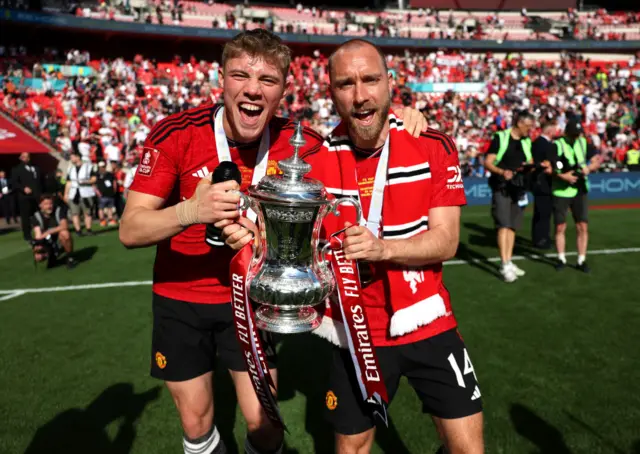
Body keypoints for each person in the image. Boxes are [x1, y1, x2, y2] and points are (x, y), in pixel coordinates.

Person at [119, 29, 428, 454]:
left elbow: (365, 142)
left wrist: (400, 118)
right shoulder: (177, 133)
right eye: (240, 75)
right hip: (180, 298)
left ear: (283, 89)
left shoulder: (301, 145)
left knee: (265, 425)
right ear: (221, 80)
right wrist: (191, 211)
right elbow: (130, 230)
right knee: (196, 421)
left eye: (267, 80)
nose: (252, 89)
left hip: (251, 300)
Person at [308, 39, 483, 454]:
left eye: (371, 80)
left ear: (390, 84)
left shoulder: (432, 144)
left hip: (428, 320)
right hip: (354, 330)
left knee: (468, 449)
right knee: (351, 446)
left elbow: (447, 241)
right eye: (345, 84)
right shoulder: (314, 158)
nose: (360, 94)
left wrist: (381, 249)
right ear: (331, 92)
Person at [483, 111, 535, 283]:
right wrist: (501, 172)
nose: (530, 129)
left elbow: (530, 161)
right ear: (519, 123)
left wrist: (533, 167)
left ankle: (509, 260)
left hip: (518, 188)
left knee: (512, 226)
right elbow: (488, 162)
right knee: (503, 225)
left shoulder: (527, 141)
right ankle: (504, 264)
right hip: (502, 187)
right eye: (528, 125)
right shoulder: (501, 137)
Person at [551, 118, 601, 273]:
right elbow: (554, 165)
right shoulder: (557, 145)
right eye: (573, 134)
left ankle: (581, 259)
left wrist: (588, 168)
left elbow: (596, 160)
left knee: (582, 225)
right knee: (560, 226)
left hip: (580, 188)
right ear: (566, 133)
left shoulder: (583, 142)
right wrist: (563, 175)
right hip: (561, 190)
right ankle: (561, 258)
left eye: (577, 134)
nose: (575, 137)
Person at [530, 112, 557, 249]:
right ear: (550, 131)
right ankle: (542, 239)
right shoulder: (543, 144)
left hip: (540, 182)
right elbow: (546, 163)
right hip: (543, 182)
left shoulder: (538, 142)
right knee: (544, 212)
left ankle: (539, 237)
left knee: (541, 212)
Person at [30, 194, 77, 269]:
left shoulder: (59, 210)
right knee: (38, 253)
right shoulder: (36, 216)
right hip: (48, 241)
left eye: (50, 203)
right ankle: (51, 255)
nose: (49, 206)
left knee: (65, 233)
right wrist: (38, 250)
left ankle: (70, 257)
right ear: (40, 206)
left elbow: (64, 226)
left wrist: (48, 232)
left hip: (59, 239)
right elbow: (38, 235)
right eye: (46, 204)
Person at [11, 152, 43, 241]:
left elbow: (41, 181)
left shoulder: (36, 168)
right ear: (20, 158)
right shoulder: (16, 169)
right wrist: (23, 188)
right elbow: (14, 183)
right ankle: (27, 235)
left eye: (28, 157)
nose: (26, 158)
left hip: (37, 196)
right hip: (24, 197)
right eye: (24, 157)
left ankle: (41, 231)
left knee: (39, 215)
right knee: (26, 217)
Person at [64, 151, 97, 236]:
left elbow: (94, 179)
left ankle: (88, 229)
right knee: (75, 213)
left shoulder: (88, 167)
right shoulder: (70, 168)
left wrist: (86, 181)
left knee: (87, 212)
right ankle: (78, 231)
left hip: (86, 192)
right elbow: (68, 182)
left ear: (78, 157)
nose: (71, 159)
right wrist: (66, 194)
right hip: (74, 193)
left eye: (72, 157)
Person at [95, 161, 118, 226]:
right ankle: (102, 220)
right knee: (101, 208)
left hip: (110, 194)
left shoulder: (110, 174)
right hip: (101, 194)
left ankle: (110, 219)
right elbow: (94, 185)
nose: (102, 168)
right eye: (100, 167)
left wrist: (114, 190)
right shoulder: (97, 175)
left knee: (110, 207)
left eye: (103, 166)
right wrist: (97, 192)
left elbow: (114, 182)